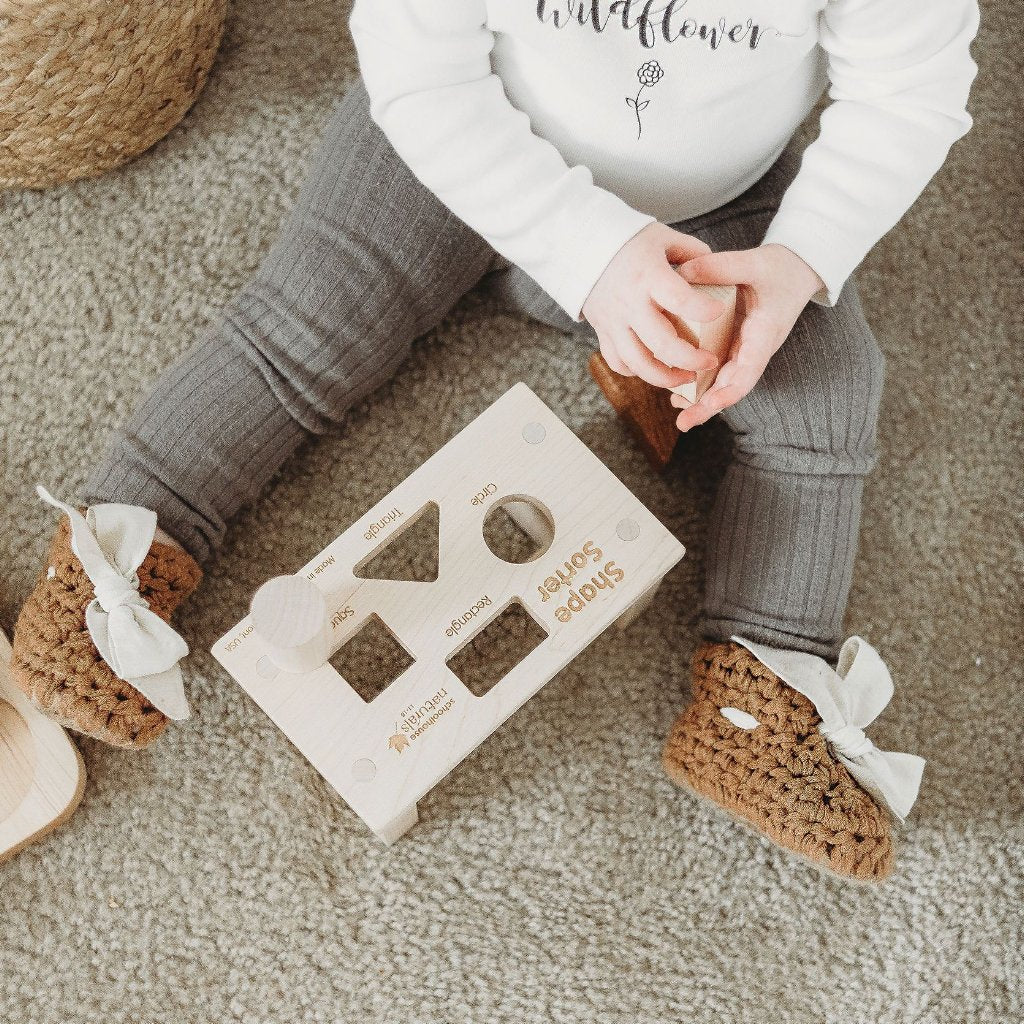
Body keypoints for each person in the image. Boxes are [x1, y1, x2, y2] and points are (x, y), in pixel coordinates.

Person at [12, 0, 978, 879]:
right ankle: (124, 552)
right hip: (465, 139)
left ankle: (760, 691)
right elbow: (417, 64)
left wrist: (796, 261)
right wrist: (582, 248)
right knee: (298, 334)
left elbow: (912, 89)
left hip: (723, 211)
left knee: (826, 408)